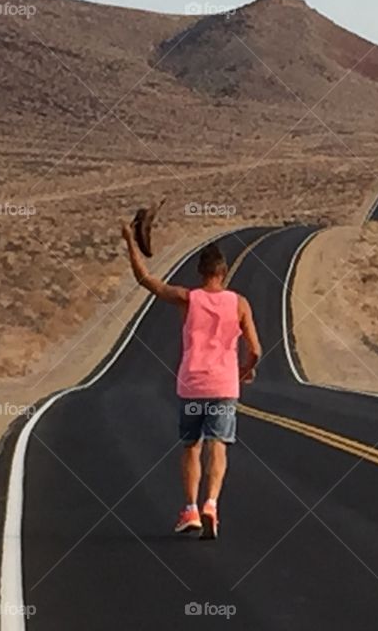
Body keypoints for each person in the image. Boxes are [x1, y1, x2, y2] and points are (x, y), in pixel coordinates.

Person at [122, 224, 261, 540]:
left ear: (200, 272)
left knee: (191, 447)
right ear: (223, 272)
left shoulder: (188, 298)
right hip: (225, 386)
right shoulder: (239, 304)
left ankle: (190, 510)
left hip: (193, 385)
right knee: (219, 446)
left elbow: (147, 280)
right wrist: (245, 370)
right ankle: (211, 503)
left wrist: (130, 240)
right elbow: (256, 350)